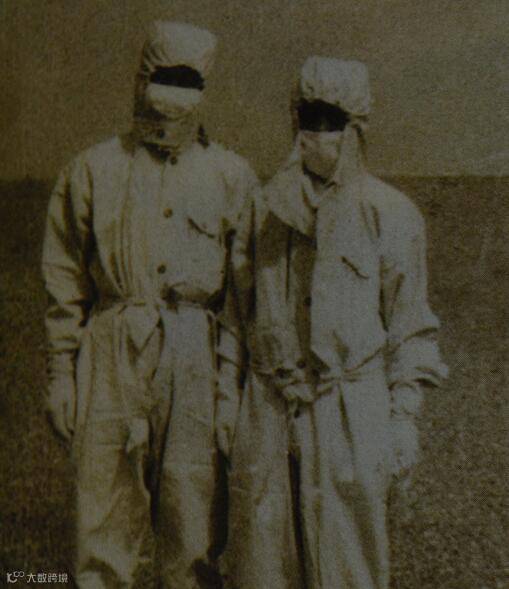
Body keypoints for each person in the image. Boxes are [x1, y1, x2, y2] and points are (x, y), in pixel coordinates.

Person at [216, 57, 448, 589]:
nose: (319, 133)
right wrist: (228, 401)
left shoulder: (390, 214)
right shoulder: (262, 211)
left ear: (356, 126)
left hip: (350, 411)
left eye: (333, 121)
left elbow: (410, 326)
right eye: (309, 118)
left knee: (348, 563)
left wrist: (403, 417)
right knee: (263, 561)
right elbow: (236, 314)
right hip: (269, 407)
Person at [42, 21, 257, 589]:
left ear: (205, 87)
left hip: (194, 352)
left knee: (193, 517)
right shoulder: (93, 169)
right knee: (103, 513)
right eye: (164, 76)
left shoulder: (230, 176)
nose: (173, 93)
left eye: (188, 80)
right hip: (111, 350)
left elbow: (242, 299)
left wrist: (230, 390)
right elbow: (64, 279)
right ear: (141, 78)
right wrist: (61, 373)